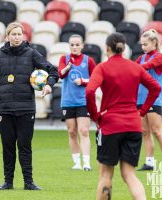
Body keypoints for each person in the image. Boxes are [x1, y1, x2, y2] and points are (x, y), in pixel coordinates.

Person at [86, 32, 161, 200]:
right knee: (129, 175)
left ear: (107, 49)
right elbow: (156, 88)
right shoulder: (135, 67)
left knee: (106, 175)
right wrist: (141, 112)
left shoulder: (102, 68)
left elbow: (90, 91)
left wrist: (96, 116)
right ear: (124, 48)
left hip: (110, 126)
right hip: (133, 126)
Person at [0, 22, 59, 190]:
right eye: (13, 34)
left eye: (19, 34)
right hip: (5, 109)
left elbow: (53, 71)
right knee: (8, 147)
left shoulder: (32, 53)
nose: (17, 37)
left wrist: (49, 85)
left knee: (25, 146)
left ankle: (29, 182)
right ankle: (8, 182)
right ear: (7, 36)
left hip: (26, 108)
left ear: (23, 36)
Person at [136, 29, 162, 171]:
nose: (143, 47)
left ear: (154, 42)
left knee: (157, 130)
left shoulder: (159, 57)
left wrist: (131, 68)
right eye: (142, 45)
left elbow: (144, 67)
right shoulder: (141, 57)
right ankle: (149, 163)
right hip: (140, 98)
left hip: (153, 99)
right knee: (145, 132)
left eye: (145, 44)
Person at [58, 34, 96, 171]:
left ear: (82, 45)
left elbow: (95, 79)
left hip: (83, 101)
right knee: (72, 132)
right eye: (72, 45)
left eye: (77, 44)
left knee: (84, 131)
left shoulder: (89, 60)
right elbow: (60, 74)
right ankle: (77, 163)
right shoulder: (64, 59)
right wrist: (68, 67)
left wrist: (83, 81)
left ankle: (86, 162)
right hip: (68, 101)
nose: (74, 47)